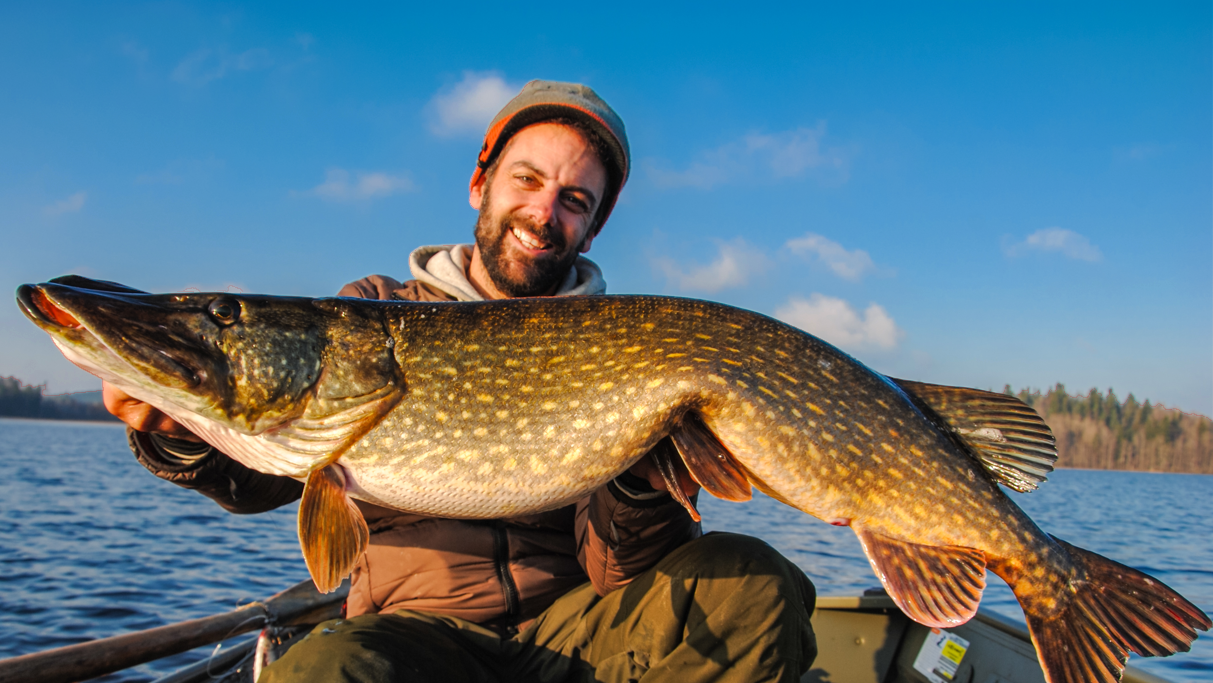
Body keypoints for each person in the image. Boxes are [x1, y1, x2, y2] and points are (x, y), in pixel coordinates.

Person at [104, 80, 817, 682]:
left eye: (574, 200)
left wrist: (638, 475)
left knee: (751, 584)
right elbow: (268, 471)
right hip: (416, 636)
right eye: (528, 180)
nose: (544, 213)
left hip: (570, 631)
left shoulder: (626, 347)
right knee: (323, 670)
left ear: (592, 229)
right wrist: (183, 439)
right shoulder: (374, 311)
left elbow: (619, 570)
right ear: (481, 183)